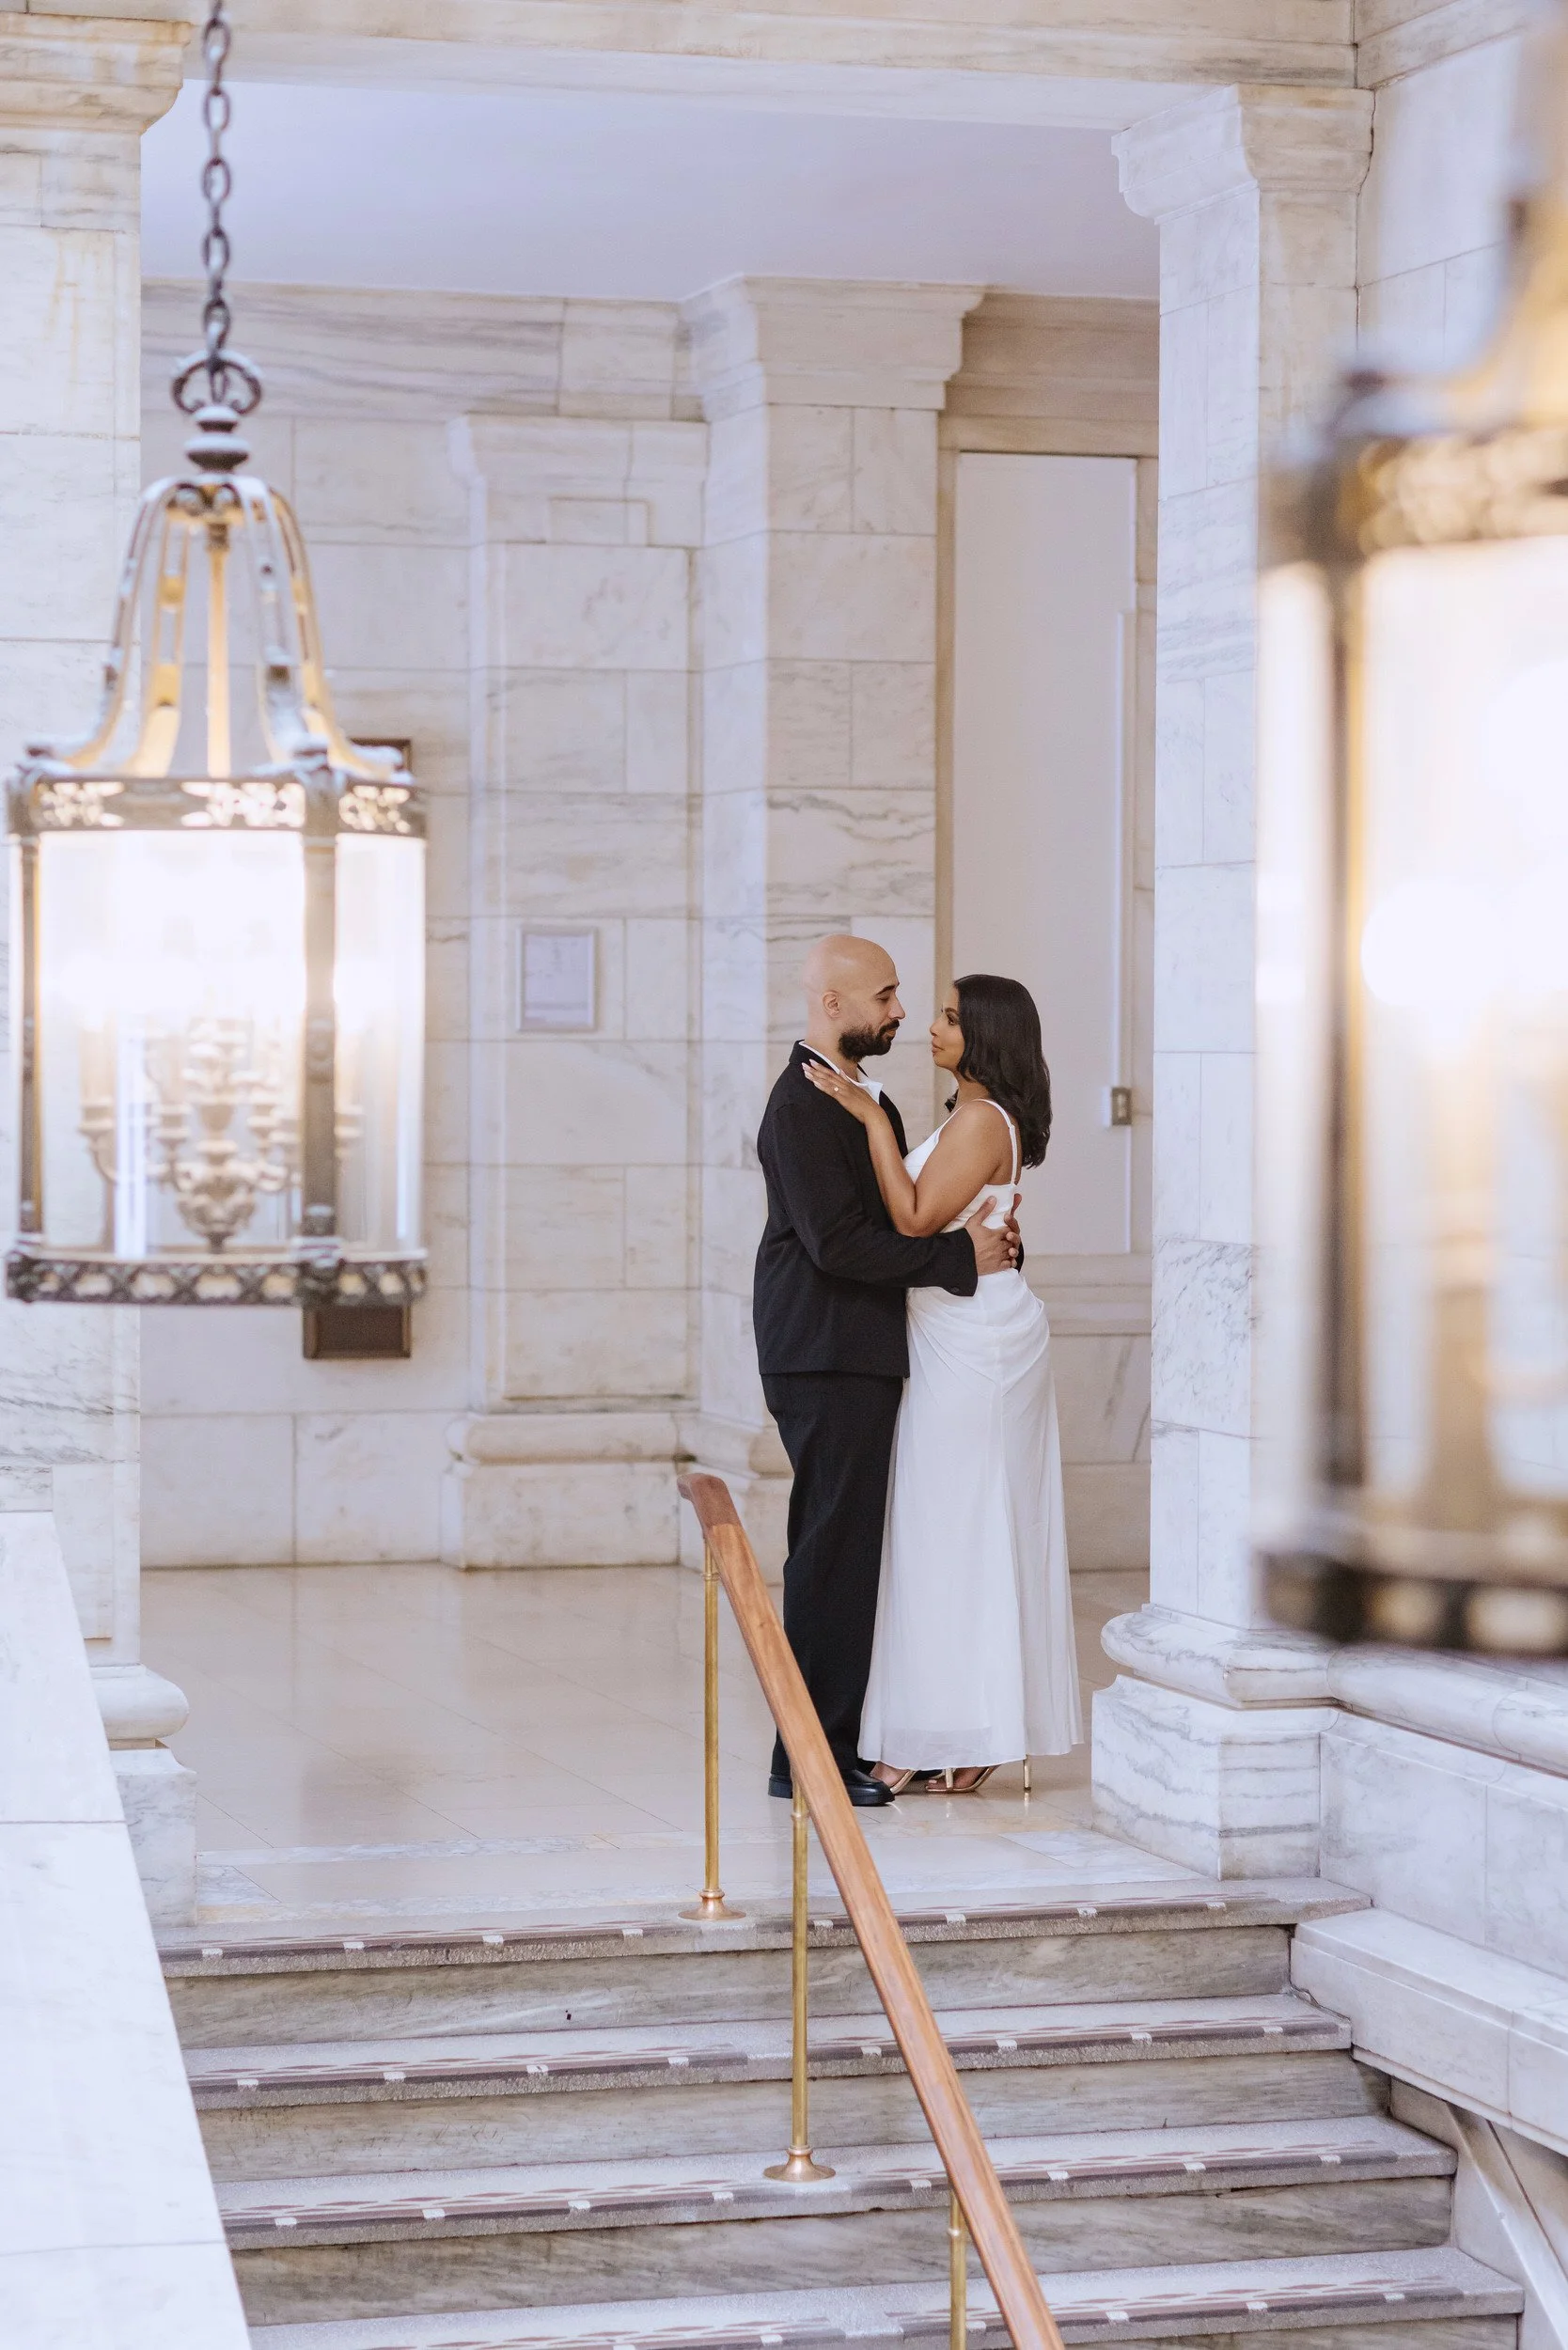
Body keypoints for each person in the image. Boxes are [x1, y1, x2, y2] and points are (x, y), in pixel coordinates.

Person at [753, 936, 1021, 1809]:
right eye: (886, 996)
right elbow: (836, 1245)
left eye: (904, 996)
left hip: (860, 1351)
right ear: (832, 1005)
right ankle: (809, 1759)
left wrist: (971, 1243)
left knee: (849, 1552)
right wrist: (960, 1258)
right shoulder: (800, 1106)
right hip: (823, 1351)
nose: (900, 1012)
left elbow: (898, 1223)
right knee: (830, 1554)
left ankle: (833, 1744)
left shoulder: (866, 1097)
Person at [802, 973, 1082, 1793]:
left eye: (951, 1018)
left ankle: (953, 1731)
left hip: (977, 1341)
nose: (930, 1027)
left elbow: (916, 1220)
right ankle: (954, 1727)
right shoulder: (976, 1117)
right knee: (947, 1530)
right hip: (952, 1328)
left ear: (986, 1035)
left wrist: (867, 1122)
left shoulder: (983, 1118)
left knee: (958, 1531)